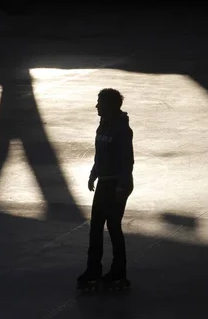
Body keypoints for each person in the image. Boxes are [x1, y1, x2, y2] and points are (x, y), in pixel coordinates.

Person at [77, 88, 134, 287]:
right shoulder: (102, 126)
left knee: (113, 226)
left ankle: (119, 270)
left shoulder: (122, 130)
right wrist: (93, 174)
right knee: (95, 226)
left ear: (109, 105)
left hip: (118, 184)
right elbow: (99, 154)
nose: (96, 106)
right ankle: (93, 268)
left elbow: (128, 161)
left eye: (99, 102)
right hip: (104, 182)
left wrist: (121, 187)